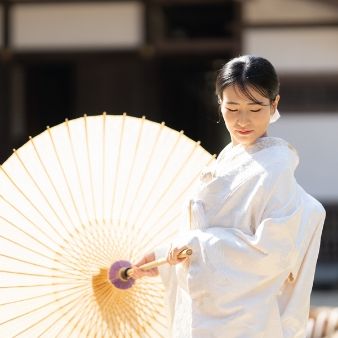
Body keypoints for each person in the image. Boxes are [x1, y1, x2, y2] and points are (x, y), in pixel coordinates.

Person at [132, 55, 326, 338]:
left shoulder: (276, 168)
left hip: (244, 322)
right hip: (207, 313)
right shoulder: (226, 161)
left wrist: (193, 245)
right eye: (232, 107)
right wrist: (164, 256)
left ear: (274, 104)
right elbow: (202, 232)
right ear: (219, 103)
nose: (243, 120)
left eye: (255, 108)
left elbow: (271, 254)